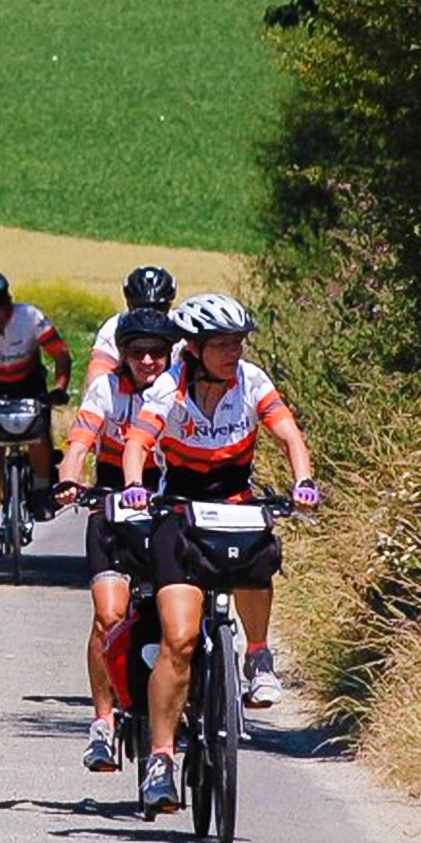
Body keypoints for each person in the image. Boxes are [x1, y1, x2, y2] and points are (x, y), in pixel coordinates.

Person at [115, 292, 320, 812]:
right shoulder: (168, 388)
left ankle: (258, 655)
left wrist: (304, 482)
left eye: (239, 343)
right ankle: (161, 757)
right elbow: (139, 443)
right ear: (196, 348)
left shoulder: (252, 382)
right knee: (179, 640)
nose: (234, 352)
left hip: (234, 505)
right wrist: (136, 484)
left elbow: (289, 436)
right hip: (180, 514)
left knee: (259, 557)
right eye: (223, 344)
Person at [50, 307, 178, 772]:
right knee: (109, 616)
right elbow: (81, 441)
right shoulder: (106, 389)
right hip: (112, 506)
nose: (148, 362)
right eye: (138, 353)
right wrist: (69, 477)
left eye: (158, 353)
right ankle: (102, 722)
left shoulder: (178, 389)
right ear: (122, 355)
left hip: (168, 506)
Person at [0, 272, 72, 559]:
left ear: (9, 302)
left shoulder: (29, 317)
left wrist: (59, 388)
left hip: (30, 383)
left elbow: (60, 353)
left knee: (38, 438)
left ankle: (40, 488)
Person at [84, 265, 177, 380]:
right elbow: (97, 372)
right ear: (128, 304)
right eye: (139, 307)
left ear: (169, 305)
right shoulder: (112, 328)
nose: (147, 314)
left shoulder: (181, 326)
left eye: (158, 308)